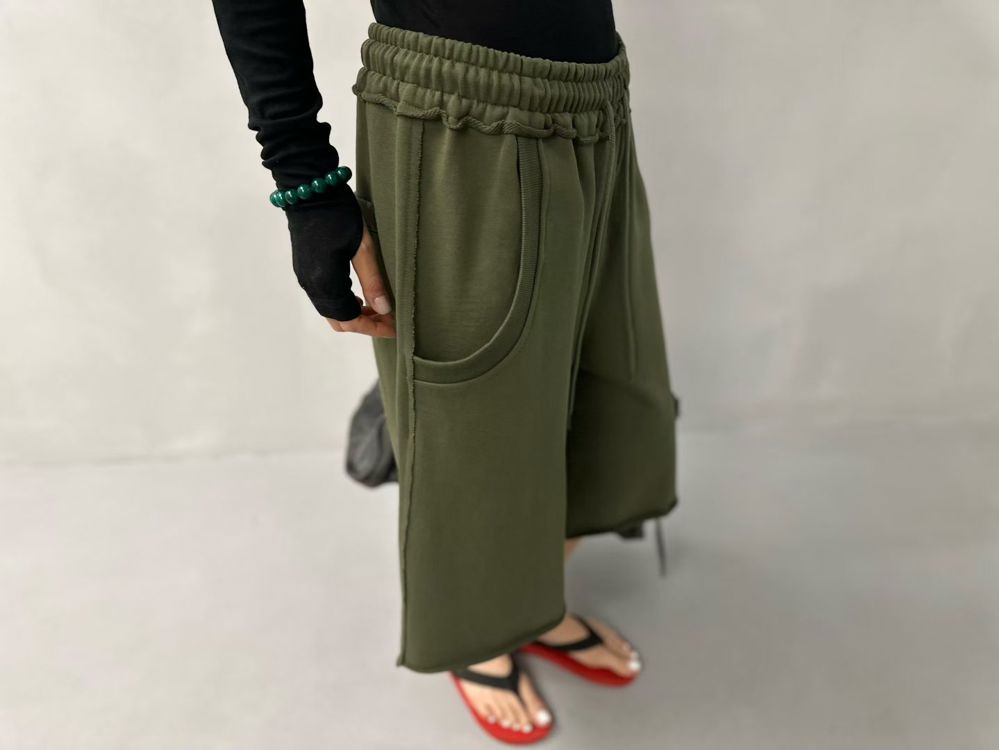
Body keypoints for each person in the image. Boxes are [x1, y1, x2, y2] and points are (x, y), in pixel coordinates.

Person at [210, 1, 679, 742]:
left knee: (607, 389)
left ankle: (532, 604)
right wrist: (306, 181)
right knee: (477, 433)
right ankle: (480, 639)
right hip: (460, 117)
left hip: (597, 100)